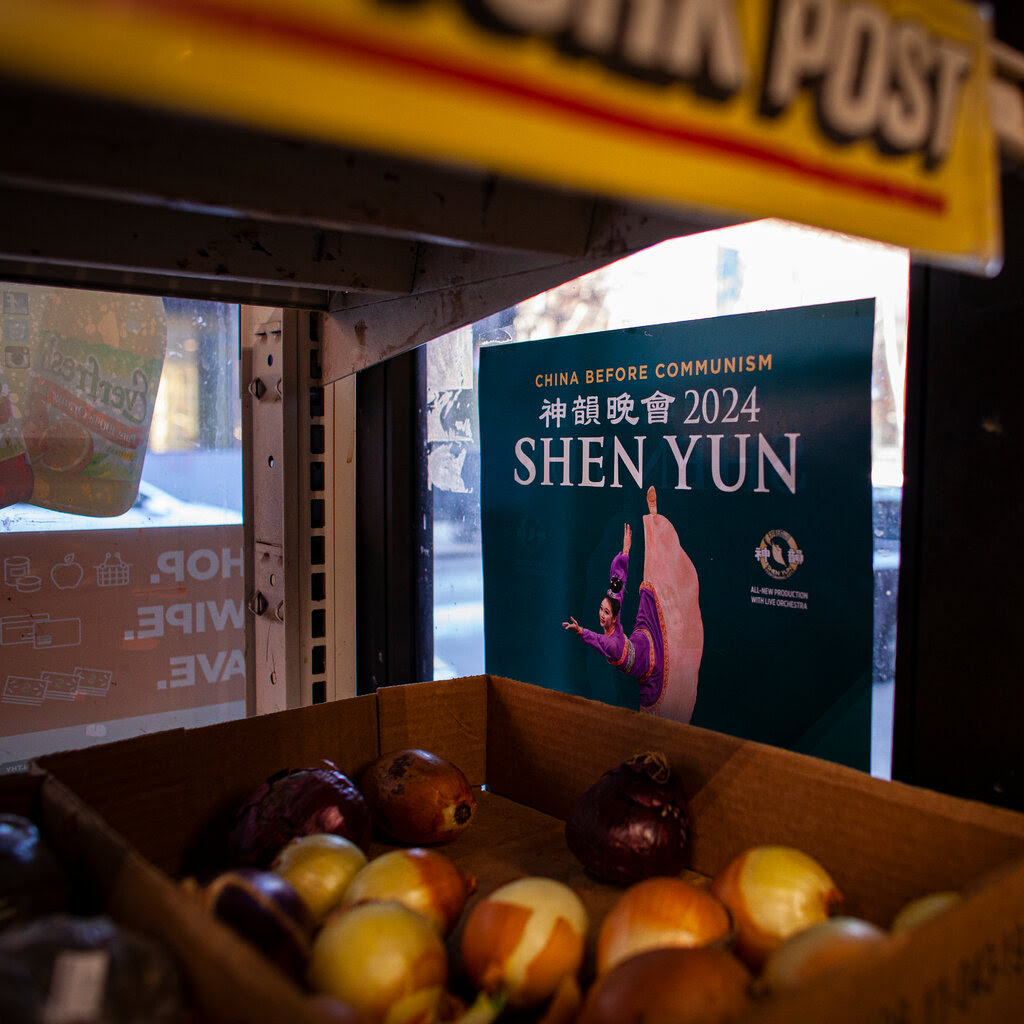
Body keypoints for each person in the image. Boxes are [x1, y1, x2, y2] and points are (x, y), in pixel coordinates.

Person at [562, 486, 704, 723]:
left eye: (604, 612)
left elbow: (616, 588)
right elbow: (597, 641)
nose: (602, 616)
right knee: (657, 714)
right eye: (602, 612)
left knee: (651, 586)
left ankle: (654, 521)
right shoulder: (611, 643)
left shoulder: (615, 624)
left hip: (645, 634)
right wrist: (581, 632)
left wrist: (626, 551)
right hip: (650, 673)